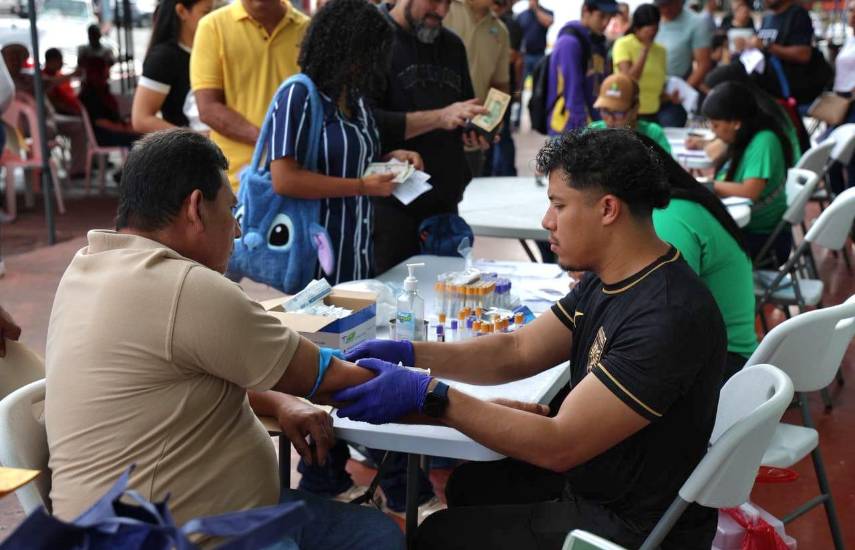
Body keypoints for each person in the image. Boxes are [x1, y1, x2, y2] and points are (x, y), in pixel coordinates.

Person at [335, 129, 726, 549]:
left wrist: (432, 396)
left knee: (436, 537)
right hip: (601, 484)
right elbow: (517, 350)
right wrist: (411, 352)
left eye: (559, 205)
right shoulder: (612, 279)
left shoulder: (666, 315)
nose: (547, 221)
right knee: (471, 484)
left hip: (631, 526)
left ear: (608, 209)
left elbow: (559, 444)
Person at [44, 128, 404, 550]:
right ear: (196, 207)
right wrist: (433, 387)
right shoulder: (184, 287)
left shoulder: (88, 269)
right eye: (232, 211)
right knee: (376, 536)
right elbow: (328, 378)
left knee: (365, 529)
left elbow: (170, 379)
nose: (235, 231)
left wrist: (277, 399)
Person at [369, 0, 489, 275]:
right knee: (395, 305)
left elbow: (460, 111)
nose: (442, 11)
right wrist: (440, 117)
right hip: (390, 207)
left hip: (445, 204)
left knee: (447, 304)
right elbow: (364, 123)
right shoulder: (373, 37)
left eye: (448, 3)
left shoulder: (452, 46)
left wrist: (472, 130)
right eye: (434, 1)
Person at [641, 133, 757, 381]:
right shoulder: (680, 204)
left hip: (723, 364)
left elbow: (663, 315)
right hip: (725, 353)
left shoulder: (667, 218)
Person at [190, 0, 310, 190]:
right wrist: (272, 143)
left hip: (297, 179)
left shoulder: (307, 29)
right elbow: (208, 108)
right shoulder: (212, 26)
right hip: (233, 183)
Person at [702, 81, 794, 266]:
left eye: (716, 124)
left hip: (764, 239)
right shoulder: (744, 138)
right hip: (745, 229)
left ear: (736, 123)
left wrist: (708, 185)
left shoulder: (764, 141)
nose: (712, 130)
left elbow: (750, 191)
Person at [444, 0, 510, 177]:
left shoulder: (500, 31)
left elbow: (500, 85)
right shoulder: (444, 9)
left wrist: (489, 125)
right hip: (428, 135)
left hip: (471, 141)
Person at [132, 0, 214, 133]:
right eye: (206, 12)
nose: (212, 18)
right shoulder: (164, 57)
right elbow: (141, 119)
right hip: (190, 151)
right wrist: (197, 138)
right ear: (182, 11)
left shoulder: (208, 51)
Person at [546, 0, 617, 135]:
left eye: (610, 17)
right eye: (601, 16)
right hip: (569, 129)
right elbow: (572, 93)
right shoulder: (569, 43)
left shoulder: (598, 43)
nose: (606, 23)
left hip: (593, 125)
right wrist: (581, 133)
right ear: (586, 11)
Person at [654, 0, 712, 127]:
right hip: (648, 92)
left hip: (673, 95)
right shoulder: (652, 18)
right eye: (661, 6)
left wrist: (682, 91)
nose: (665, 10)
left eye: (669, 4)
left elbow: (703, 64)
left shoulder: (697, 23)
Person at [750, 0, 816, 105]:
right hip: (767, 90)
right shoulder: (767, 18)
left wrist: (767, 46)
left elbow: (803, 54)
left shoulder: (797, 14)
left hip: (791, 93)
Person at [612, 4, 667, 121]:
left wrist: (669, 96)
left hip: (653, 112)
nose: (653, 36)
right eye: (649, 32)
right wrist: (645, 51)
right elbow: (630, 79)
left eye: (656, 30)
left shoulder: (661, 50)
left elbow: (659, 84)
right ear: (637, 29)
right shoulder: (623, 44)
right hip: (628, 113)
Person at [589, 74, 671, 153]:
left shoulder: (653, 135)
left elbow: (668, 165)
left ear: (635, 109)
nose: (610, 120)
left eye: (618, 113)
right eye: (605, 111)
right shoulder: (592, 132)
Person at [488, 0, 522, 176]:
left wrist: (516, 92)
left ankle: (507, 172)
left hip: (499, 92)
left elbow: (516, 60)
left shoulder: (508, 25)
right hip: (491, 90)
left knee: (502, 133)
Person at [826, 0, 855, 195]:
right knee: (832, 157)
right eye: (852, 10)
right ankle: (841, 207)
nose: (852, 14)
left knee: (850, 159)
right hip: (842, 102)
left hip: (852, 103)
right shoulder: (850, 39)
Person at [78, 58, 141, 147]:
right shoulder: (90, 94)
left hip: (111, 131)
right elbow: (101, 122)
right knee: (143, 139)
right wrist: (125, 128)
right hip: (103, 135)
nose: (108, 72)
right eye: (106, 68)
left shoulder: (100, 89)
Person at [516, 0, 554, 81]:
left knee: (539, 84)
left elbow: (548, 22)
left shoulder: (547, 12)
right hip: (524, 56)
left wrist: (535, 9)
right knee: (519, 84)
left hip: (539, 55)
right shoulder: (521, 15)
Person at [43, 49, 82, 116]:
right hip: (64, 113)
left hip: (75, 110)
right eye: (59, 60)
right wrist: (72, 111)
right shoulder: (43, 78)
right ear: (50, 61)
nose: (61, 63)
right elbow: (54, 103)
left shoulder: (60, 76)